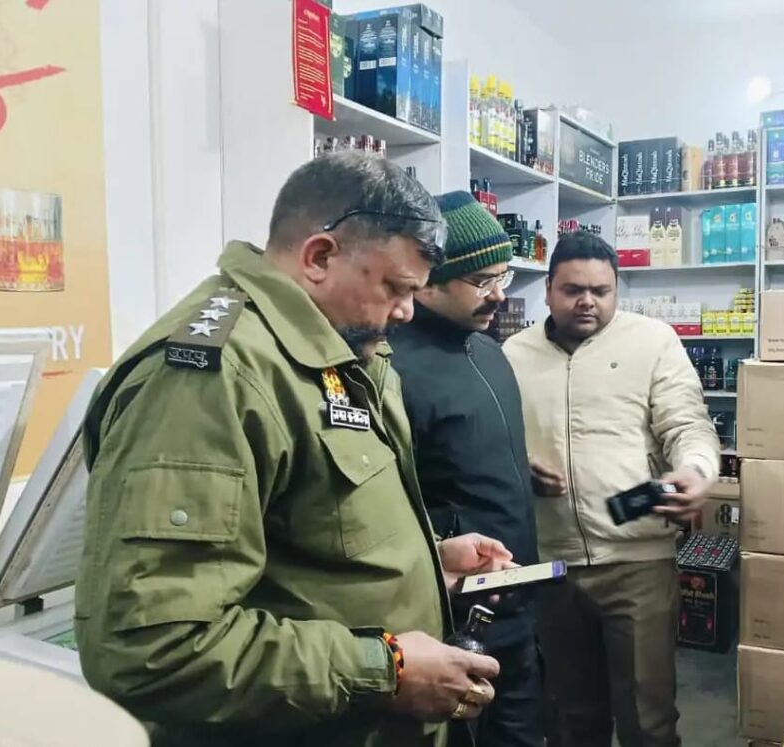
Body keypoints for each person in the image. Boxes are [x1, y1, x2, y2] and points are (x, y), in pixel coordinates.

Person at [74, 152, 516, 747]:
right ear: (319, 257)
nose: (407, 311)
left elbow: (306, 534)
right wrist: (386, 669)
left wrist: (426, 562)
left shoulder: (338, 347)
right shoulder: (213, 379)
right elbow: (154, 647)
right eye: (394, 288)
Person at [502, 231, 721, 747]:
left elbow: (687, 423)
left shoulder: (652, 342)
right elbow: (499, 438)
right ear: (548, 290)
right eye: (573, 289)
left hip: (636, 562)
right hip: (551, 565)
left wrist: (695, 469)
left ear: (616, 290)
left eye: (601, 291)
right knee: (570, 718)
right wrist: (519, 466)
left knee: (648, 719)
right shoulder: (513, 353)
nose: (587, 301)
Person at [388, 192, 542, 747]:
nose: (499, 294)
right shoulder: (391, 368)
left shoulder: (490, 352)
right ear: (428, 282)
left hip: (517, 597)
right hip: (452, 612)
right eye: (481, 280)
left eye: (503, 276)